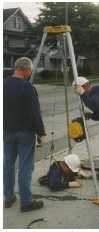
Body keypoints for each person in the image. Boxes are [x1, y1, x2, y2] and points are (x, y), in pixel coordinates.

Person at [3, 57, 46, 212]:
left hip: (7, 131)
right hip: (25, 133)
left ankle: (8, 198)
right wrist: (41, 132)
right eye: (30, 71)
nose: (30, 73)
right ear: (26, 70)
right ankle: (26, 202)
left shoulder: (3, 84)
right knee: (25, 166)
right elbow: (35, 113)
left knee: (8, 165)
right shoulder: (27, 87)